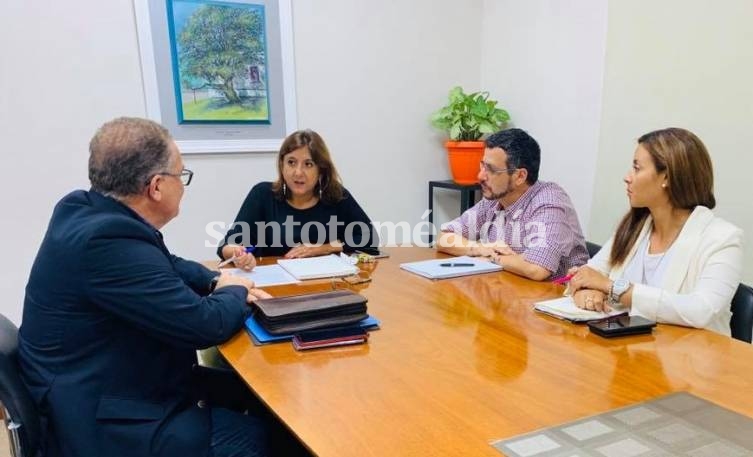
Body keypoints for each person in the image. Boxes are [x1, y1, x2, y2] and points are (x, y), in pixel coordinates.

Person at [18, 117, 272, 457]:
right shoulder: (107, 241)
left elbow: (164, 262)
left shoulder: (83, 208)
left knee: (257, 395)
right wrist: (235, 288)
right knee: (274, 438)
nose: (183, 184)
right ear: (155, 187)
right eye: (181, 175)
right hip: (110, 420)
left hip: (112, 382)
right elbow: (206, 325)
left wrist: (213, 279)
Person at [567, 127, 743, 335]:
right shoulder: (635, 225)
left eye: (637, 168)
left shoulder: (722, 239)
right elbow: (589, 274)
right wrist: (587, 291)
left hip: (686, 360)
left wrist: (612, 287)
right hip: (625, 353)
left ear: (666, 177)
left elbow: (700, 310)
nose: (627, 177)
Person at [437, 128, 589, 280]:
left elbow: (537, 268)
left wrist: (491, 258)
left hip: (551, 298)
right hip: (507, 290)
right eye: (482, 166)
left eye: (491, 169)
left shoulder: (549, 200)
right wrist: (479, 248)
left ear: (520, 176)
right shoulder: (494, 199)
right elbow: (443, 238)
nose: (480, 176)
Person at [217, 129, 378, 269]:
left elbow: (368, 237)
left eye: (308, 164)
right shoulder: (262, 194)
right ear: (282, 165)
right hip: (276, 289)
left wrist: (324, 248)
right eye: (291, 162)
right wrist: (237, 254)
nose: (298, 172)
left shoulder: (336, 196)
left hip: (326, 287)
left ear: (321, 170)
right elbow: (228, 245)